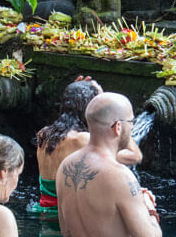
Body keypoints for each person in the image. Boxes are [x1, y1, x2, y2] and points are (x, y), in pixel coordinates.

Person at [56, 92, 176, 237]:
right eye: (131, 122)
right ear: (118, 127)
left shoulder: (66, 166)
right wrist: (150, 209)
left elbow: (66, 233)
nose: (134, 126)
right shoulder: (121, 176)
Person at [32, 78, 141, 214]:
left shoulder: (43, 135)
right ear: (90, 109)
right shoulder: (84, 140)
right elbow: (134, 155)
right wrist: (109, 107)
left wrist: (74, 89)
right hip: (70, 216)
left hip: (44, 212)